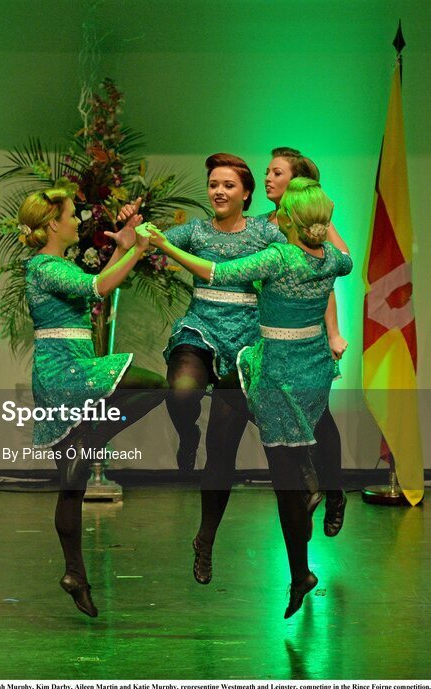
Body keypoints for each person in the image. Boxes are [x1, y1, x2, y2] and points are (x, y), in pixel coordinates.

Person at [140, 177, 353, 618]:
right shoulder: (332, 260)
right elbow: (348, 256)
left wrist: (166, 245)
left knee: (284, 480)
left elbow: (215, 272)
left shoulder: (278, 257)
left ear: (289, 220)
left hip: (277, 374)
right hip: (313, 371)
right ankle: (301, 568)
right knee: (288, 477)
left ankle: (302, 565)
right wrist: (326, 222)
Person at [125, 153, 286, 584]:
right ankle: (186, 433)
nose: (219, 190)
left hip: (246, 340)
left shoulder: (266, 231)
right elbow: (141, 244)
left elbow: (308, 257)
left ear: (246, 193)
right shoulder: (194, 230)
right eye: (214, 183)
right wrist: (130, 228)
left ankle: (206, 538)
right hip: (199, 327)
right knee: (180, 395)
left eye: (229, 185)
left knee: (223, 449)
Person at [18, 186, 167, 617]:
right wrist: (137, 249)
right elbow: (97, 287)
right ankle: (94, 437)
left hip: (73, 363)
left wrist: (122, 243)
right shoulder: (44, 266)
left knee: (73, 479)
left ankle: (74, 573)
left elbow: (93, 282)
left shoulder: (55, 264)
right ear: (52, 224)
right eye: (70, 216)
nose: (77, 222)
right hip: (63, 370)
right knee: (154, 386)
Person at [261, 147, 349, 536]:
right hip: (268, 335)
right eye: (267, 171)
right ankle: (301, 491)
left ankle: (331, 490)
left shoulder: (311, 222)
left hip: (306, 343)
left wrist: (333, 333)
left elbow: (328, 278)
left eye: (276, 173)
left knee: (319, 416)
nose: (268, 178)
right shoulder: (264, 226)